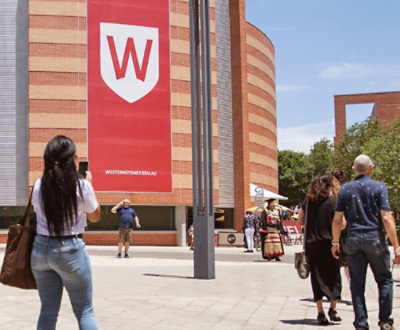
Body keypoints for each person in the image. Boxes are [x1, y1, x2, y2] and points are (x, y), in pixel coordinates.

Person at [31, 135, 101, 329]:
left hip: (40, 250)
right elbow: (95, 216)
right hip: (70, 250)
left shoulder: (39, 184)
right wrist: (91, 185)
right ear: (73, 160)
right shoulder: (81, 186)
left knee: (47, 310)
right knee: (85, 311)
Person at [331, 154, 400, 330]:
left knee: (357, 282)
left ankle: (361, 322)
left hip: (353, 237)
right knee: (384, 280)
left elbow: (338, 219)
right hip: (374, 236)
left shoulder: (345, 190)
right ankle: (385, 321)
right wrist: (397, 246)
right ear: (371, 168)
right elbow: (386, 217)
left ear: (354, 169)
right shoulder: (379, 187)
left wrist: (335, 242)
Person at [297, 174, 343, 326]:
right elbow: (342, 223)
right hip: (331, 244)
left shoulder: (307, 203)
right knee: (333, 275)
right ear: (328, 187)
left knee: (316, 278)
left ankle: (320, 313)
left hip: (312, 244)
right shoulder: (334, 202)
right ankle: (333, 308)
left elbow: (300, 221)